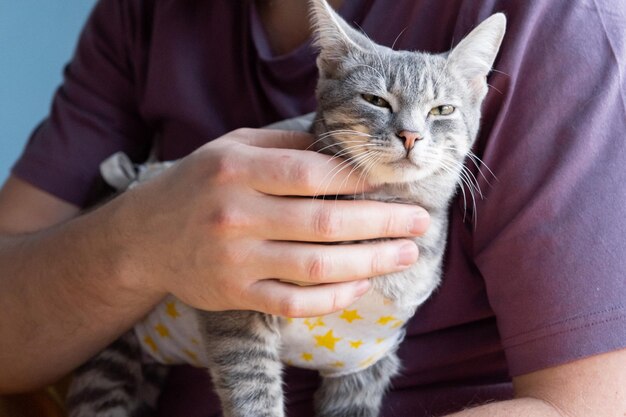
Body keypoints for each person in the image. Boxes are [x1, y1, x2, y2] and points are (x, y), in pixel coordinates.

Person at [0, 0, 624, 416]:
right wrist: (140, 237)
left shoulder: (559, 21)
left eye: (434, 115)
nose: (410, 135)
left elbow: (591, 404)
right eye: (382, 105)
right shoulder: (145, 13)